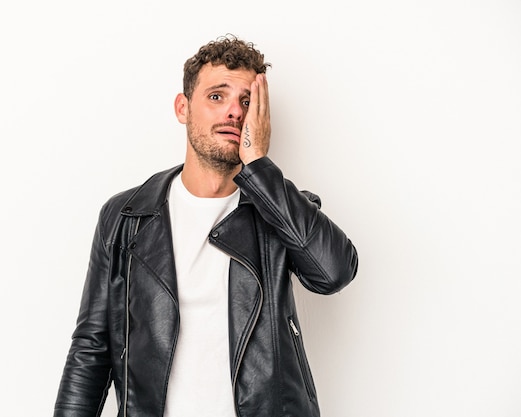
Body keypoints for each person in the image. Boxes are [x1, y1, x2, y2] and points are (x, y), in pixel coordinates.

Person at [54, 35, 358, 417]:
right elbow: (91, 348)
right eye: (217, 96)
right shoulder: (126, 216)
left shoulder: (281, 209)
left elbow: (334, 273)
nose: (234, 111)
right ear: (183, 108)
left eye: (247, 102)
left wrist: (259, 165)